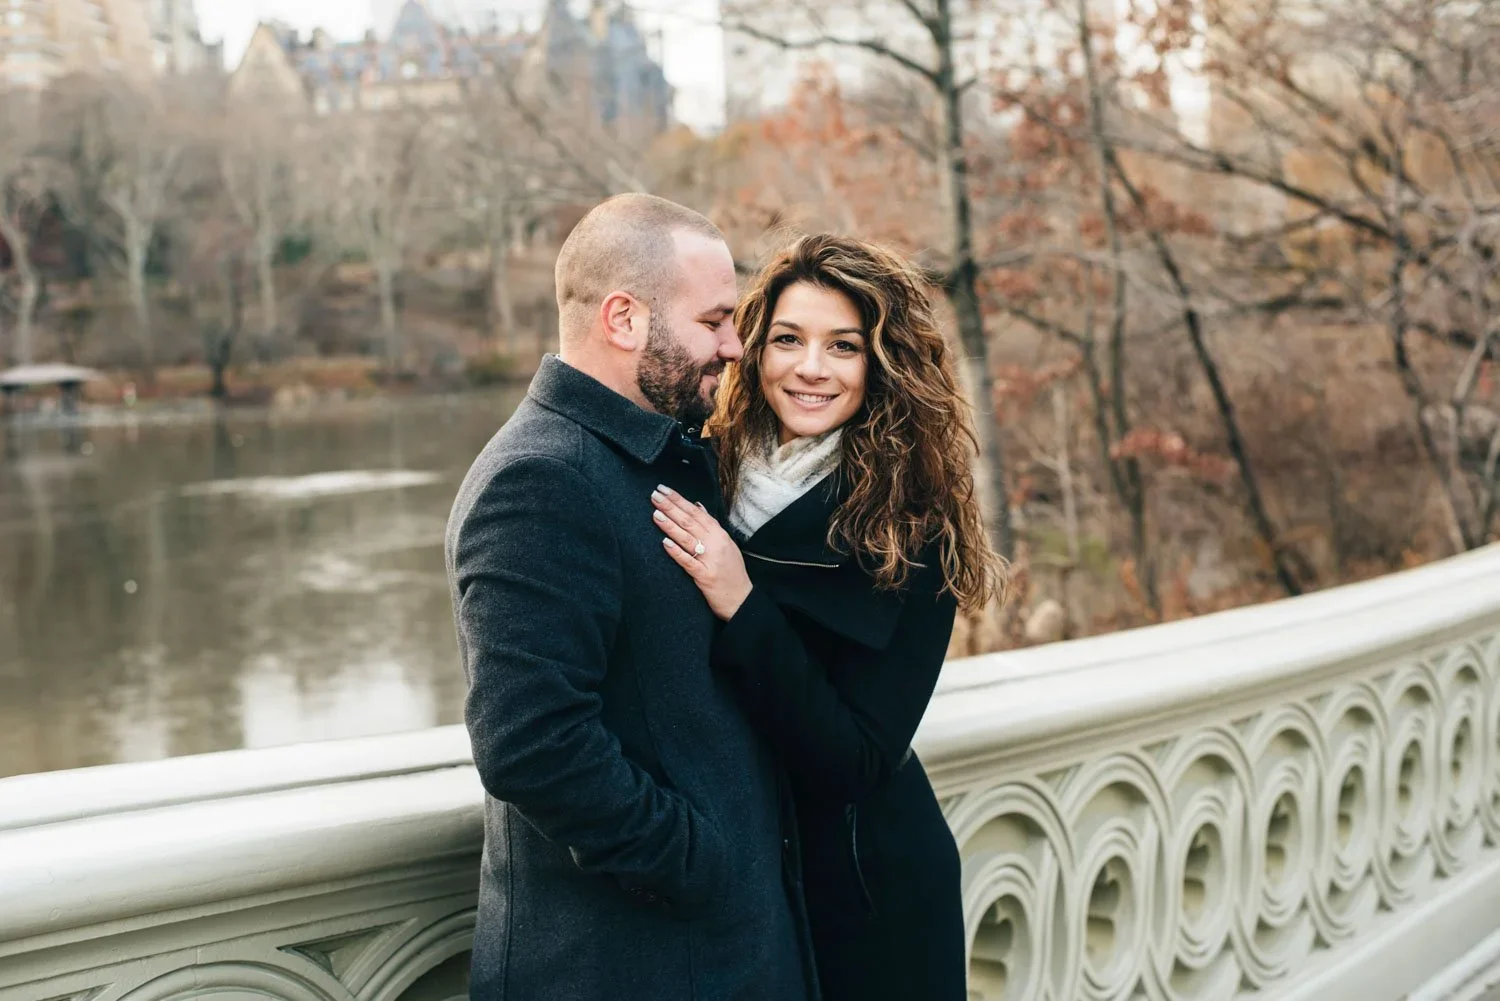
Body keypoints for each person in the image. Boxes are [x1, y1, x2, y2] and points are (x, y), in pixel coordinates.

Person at [445, 194, 812, 1001]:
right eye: (713, 320)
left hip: (723, 956)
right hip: (629, 968)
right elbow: (531, 741)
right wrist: (698, 861)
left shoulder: (669, 456)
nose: (735, 346)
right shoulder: (538, 479)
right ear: (623, 319)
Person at [650, 234, 1006, 1001]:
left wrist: (742, 601)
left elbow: (859, 760)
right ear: (753, 349)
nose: (811, 368)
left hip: (866, 891)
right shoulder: (701, 468)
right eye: (788, 339)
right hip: (731, 871)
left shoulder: (914, 527)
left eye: (843, 346)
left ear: (881, 364)